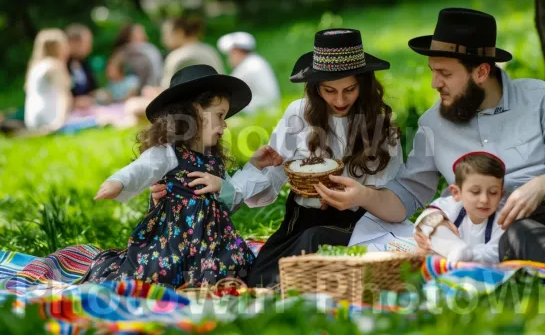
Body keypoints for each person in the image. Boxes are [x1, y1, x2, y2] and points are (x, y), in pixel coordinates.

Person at [315, 8, 545, 272]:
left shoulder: (542, 98)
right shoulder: (432, 124)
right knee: (517, 236)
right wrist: (362, 196)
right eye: (433, 71)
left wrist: (540, 185)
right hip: (510, 227)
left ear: (481, 72)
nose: (434, 83)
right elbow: (408, 194)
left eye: (445, 74)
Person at [151, 29, 403, 287]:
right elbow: (272, 172)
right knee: (261, 277)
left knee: (311, 251)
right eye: (329, 90)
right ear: (316, 88)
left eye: (349, 89)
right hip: (303, 219)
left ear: (364, 83)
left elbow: (392, 189)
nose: (339, 100)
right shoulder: (299, 114)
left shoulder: (380, 123)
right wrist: (234, 184)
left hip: (359, 221)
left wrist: (357, 195)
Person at [84, 65, 281, 288]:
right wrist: (117, 182)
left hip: (215, 243)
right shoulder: (168, 153)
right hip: (173, 241)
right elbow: (141, 168)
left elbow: (232, 200)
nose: (224, 124)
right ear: (194, 112)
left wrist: (236, 176)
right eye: (219, 115)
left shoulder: (213, 162)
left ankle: (208, 283)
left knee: (235, 268)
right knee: (156, 273)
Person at [413, 152, 506, 264]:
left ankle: (456, 254)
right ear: (456, 193)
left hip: (477, 265)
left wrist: (467, 255)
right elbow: (426, 218)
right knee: (431, 225)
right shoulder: (451, 206)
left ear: (501, 194)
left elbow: (494, 253)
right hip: (449, 253)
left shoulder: (502, 219)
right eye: (475, 192)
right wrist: (436, 224)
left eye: (493, 192)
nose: (484, 199)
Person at [217, 32, 281, 114]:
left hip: (263, 110)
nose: (229, 59)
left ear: (236, 52)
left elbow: (227, 91)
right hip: (270, 108)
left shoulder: (247, 67)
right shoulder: (256, 60)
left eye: (230, 55)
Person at [24, 29, 73, 132]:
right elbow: (62, 95)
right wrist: (60, 121)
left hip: (32, 120)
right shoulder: (55, 66)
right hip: (50, 118)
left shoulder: (36, 67)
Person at [161, 17, 225, 88]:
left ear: (179, 32)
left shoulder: (178, 56)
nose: (163, 39)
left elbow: (166, 89)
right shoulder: (210, 50)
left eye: (165, 34)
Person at [113, 23, 164, 88]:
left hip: (150, 89)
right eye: (139, 32)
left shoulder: (148, 50)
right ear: (130, 36)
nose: (144, 34)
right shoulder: (123, 54)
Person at [65, 24, 98, 108]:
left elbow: (93, 88)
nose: (89, 47)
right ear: (73, 42)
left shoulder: (84, 63)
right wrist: (74, 101)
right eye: (87, 43)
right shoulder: (61, 65)